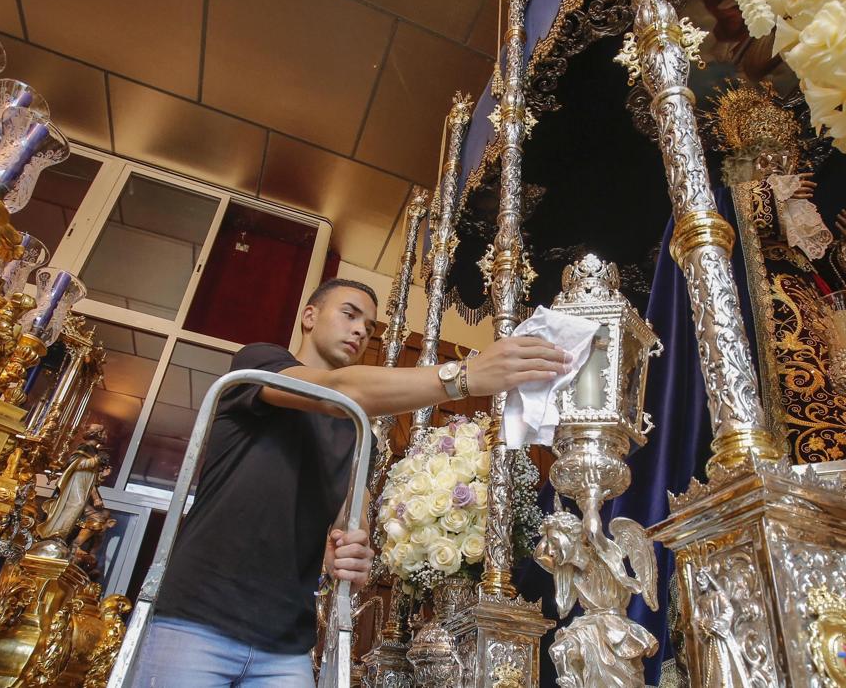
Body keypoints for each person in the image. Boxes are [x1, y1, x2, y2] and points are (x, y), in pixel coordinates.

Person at [130, 278, 569, 687]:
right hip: (197, 617)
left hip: (285, 642)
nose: (361, 331)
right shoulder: (258, 367)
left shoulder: (359, 434)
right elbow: (337, 390)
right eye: (350, 314)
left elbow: (350, 520)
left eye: (370, 326)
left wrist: (352, 553)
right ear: (309, 316)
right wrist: (465, 377)